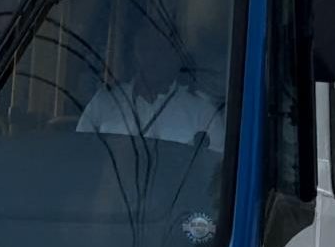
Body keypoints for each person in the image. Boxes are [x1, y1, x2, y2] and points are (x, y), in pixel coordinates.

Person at [76, 21, 225, 152]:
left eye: (161, 49)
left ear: (177, 56)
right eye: (145, 48)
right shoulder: (104, 103)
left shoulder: (203, 114)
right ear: (134, 54)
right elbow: (80, 157)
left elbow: (216, 174)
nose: (152, 57)